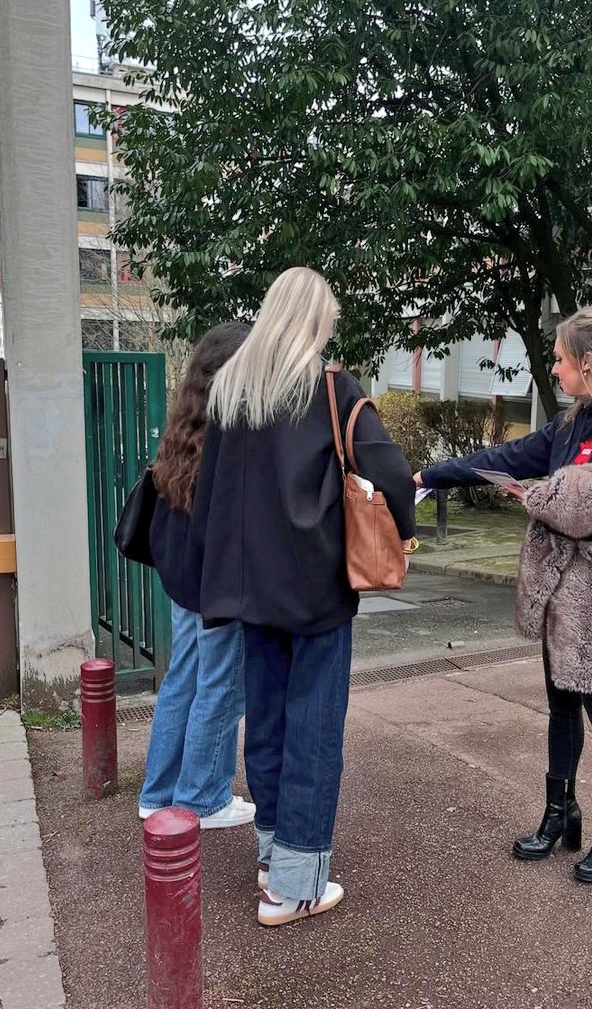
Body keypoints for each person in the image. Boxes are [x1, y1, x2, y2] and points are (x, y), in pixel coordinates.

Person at [416, 306, 592, 883]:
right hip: (563, 590)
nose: (554, 369)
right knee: (561, 705)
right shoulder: (571, 423)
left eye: (559, 359)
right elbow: (503, 459)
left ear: (588, 362)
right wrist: (430, 475)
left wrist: (545, 505)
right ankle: (560, 813)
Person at [193, 267, 417, 925]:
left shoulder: (232, 391)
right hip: (317, 590)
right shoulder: (330, 389)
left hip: (249, 591)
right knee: (313, 730)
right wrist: (399, 530)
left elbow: (211, 496)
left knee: (264, 721)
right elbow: (394, 477)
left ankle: (271, 857)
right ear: (315, 321)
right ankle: (294, 887)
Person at [138, 321, 257, 830]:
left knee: (182, 678)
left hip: (181, 575)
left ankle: (158, 794)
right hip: (216, 579)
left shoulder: (183, 425)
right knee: (223, 684)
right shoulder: (235, 434)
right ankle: (203, 799)